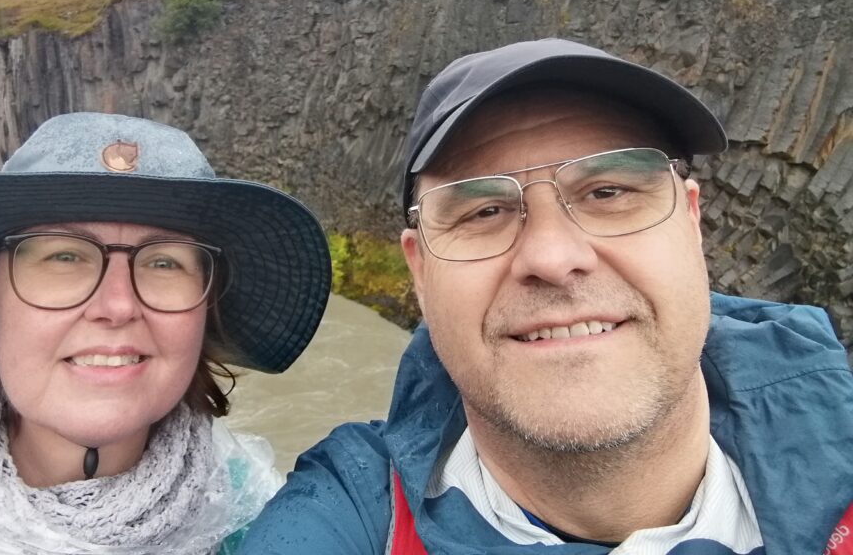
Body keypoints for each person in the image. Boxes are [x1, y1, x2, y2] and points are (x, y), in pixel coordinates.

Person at [240, 38, 853, 554]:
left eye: (608, 192)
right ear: (420, 272)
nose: (553, 259)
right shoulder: (351, 511)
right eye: (484, 211)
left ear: (691, 221)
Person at [0, 112, 331, 553]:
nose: (117, 306)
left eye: (164, 262)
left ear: (206, 311)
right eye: (64, 256)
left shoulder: (274, 524)